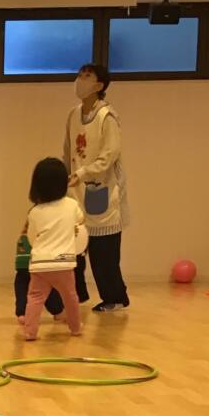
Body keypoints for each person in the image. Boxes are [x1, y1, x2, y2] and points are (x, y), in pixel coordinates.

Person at [64, 63, 130, 312]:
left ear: (99, 85)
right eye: (79, 75)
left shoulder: (107, 116)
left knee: (104, 252)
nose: (80, 80)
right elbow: (68, 149)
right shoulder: (73, 114)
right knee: (74, 245)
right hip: (76, 188)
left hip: (102, 187)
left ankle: (114, 297)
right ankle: (77, 294)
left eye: (87, 76)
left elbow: (109, 155)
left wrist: (83, 173)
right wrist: (66, 175)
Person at [22, 157, 84, 341]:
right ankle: (75, 328)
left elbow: (31, 238)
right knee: (70, 297)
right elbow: (81, 219)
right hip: (64, 263)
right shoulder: (71, 205)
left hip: (40, 263)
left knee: (35, 298)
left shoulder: (34, 212)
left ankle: (30, 331)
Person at [14, 227, 64, 324]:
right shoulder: (40, 237)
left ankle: (22, 314)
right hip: (37, 267)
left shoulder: (22, 238)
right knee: (48, 290)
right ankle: (58, 311)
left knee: (22, 291)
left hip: (22, 269)